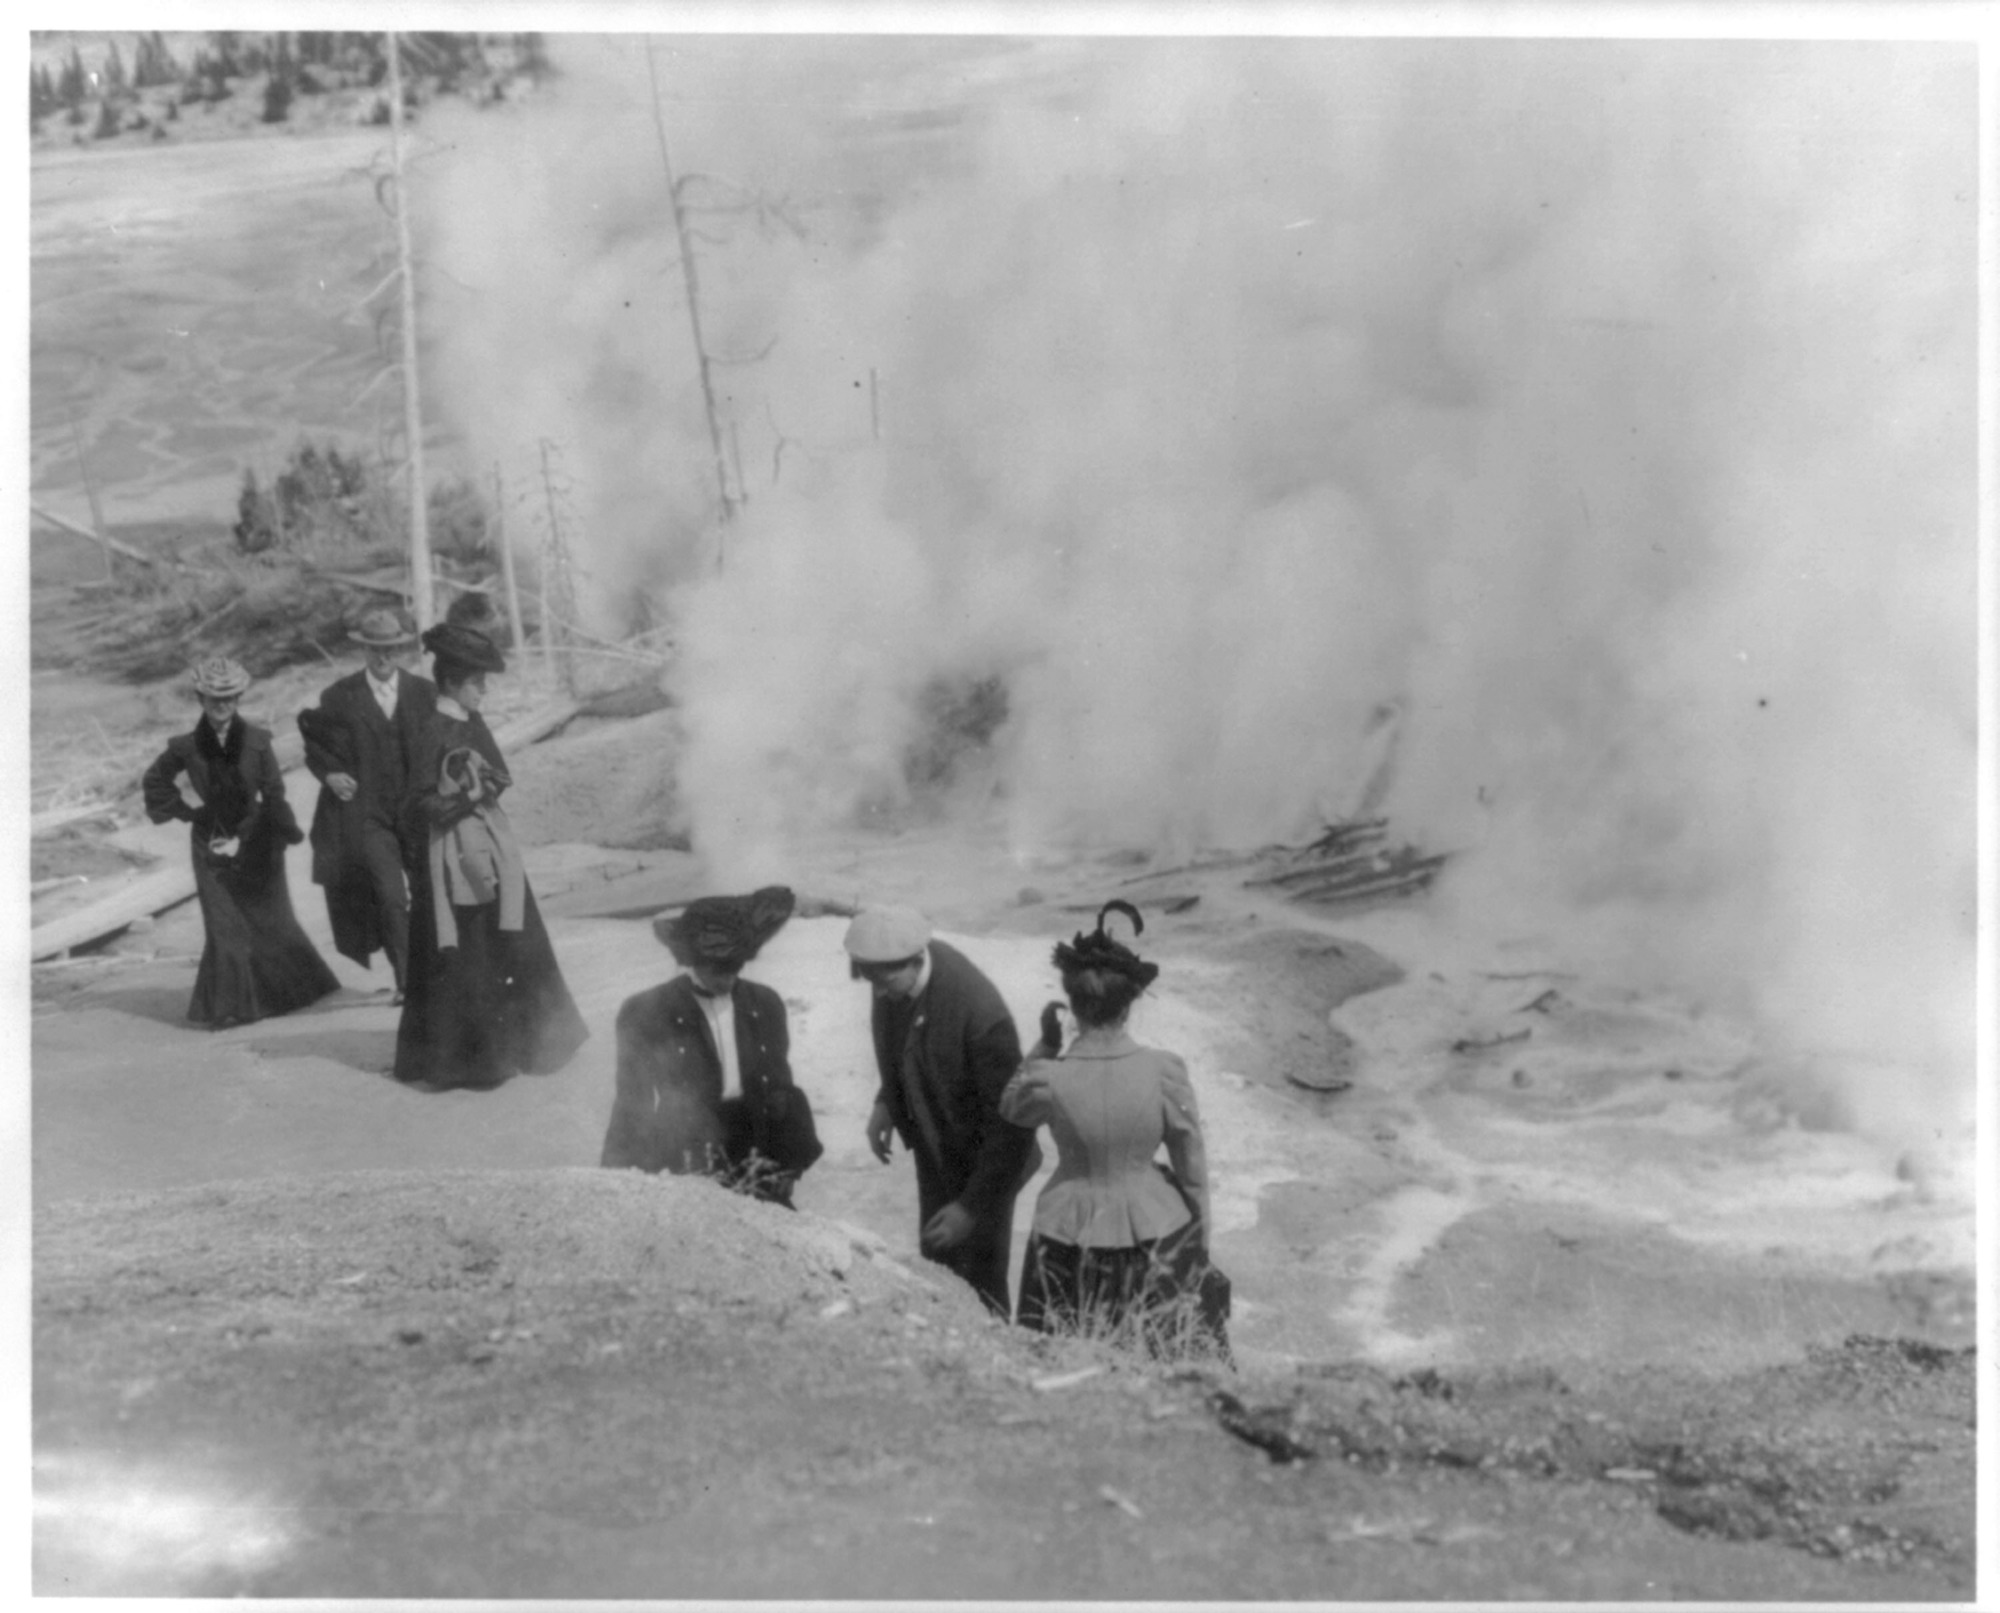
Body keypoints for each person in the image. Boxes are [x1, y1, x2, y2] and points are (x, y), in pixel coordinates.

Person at [1000, 901, 1230, 1361]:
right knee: (1170, 1357)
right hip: (1158, 1229)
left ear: (1072, 1008)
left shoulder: (1050, 1078)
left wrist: (1045, 1047)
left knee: (1059, 1356)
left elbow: (1011, 1107)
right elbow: (1192, 1165)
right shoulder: (1164, 1071)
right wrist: (1199, 1240)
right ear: (1129, 1007)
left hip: (1067, 1232)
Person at [392, 621, 588, 1091]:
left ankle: (534, 1044)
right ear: (454, 683)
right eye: (478, 683)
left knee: (516, 935)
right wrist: (467, 795)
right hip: (452, 857)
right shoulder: (430, 729)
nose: (484, 691)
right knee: (470, 951)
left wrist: (483, 785)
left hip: (491, 845)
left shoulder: (470, 720)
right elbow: (418, 803)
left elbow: (499, 772)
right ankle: (475, 1059)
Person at [847, 905, 1040, 1316]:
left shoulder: (980, 1013)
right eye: (871, 980)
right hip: (939, 1142)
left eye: (887, 982)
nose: (879, 993)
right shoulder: (892, 972)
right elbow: (903, 1043)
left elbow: (1012, 1128)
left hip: (990, 1162)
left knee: (981, 1282)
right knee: (938, 1267)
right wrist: (887, 1101)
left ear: (918, 960)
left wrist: (971, 1208)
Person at [141, 656, 340, 1029]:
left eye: (231, 698)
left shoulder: (258, 742)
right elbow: (155, 782)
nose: (223, 706)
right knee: (225, 930)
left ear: (239, 699)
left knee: (271, 922)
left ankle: (291, 991)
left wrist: (282, 832)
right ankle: (232, 1008)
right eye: (215, 699)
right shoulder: (185, 747)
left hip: (257, 841)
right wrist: (190, 813)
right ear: (200, 699)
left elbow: (275, 792)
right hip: (211, 846)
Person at [600, 887, 823, 1206]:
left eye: (737, 966)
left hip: (755, 1142)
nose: (729, 978)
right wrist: (617, 1180)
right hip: (687, 1147)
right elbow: (633, 1102)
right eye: (719, 969)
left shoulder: (765, 1004)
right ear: (692, 959)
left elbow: (779, 1088)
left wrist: (788, 1162)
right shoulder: (646, 1012)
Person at [297, 607, 437, 1001]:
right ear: (363, 651)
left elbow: (445, 746)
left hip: (418, 814)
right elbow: (316, 744)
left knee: (429, 894)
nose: (383, 658)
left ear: (402, 650)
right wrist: (329, 774)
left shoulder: (425, 694)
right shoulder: (339, 697)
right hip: (370, 816)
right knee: (391, 899)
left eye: (391, 649)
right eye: (375, 650)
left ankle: (440, 975)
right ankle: (409, 983)